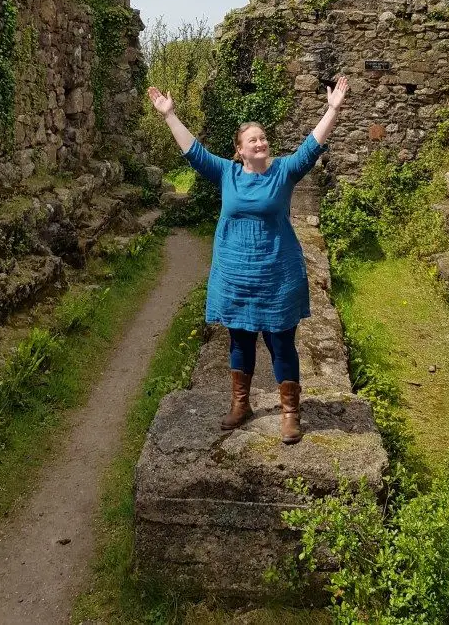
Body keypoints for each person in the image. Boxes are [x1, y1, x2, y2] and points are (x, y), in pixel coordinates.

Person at [146, 76, 349, 444]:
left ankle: (290, 412)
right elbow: (194, 152)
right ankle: (241, 404)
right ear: (239, 150)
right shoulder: (227, 173)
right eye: (253, 139)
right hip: (235, 276)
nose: (261, 142)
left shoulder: (284, 171)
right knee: (239, 343)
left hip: (277, 276)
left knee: (281, 343)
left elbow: (312, 145)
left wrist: (332, 109)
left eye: (263, 137)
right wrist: (170, 115)